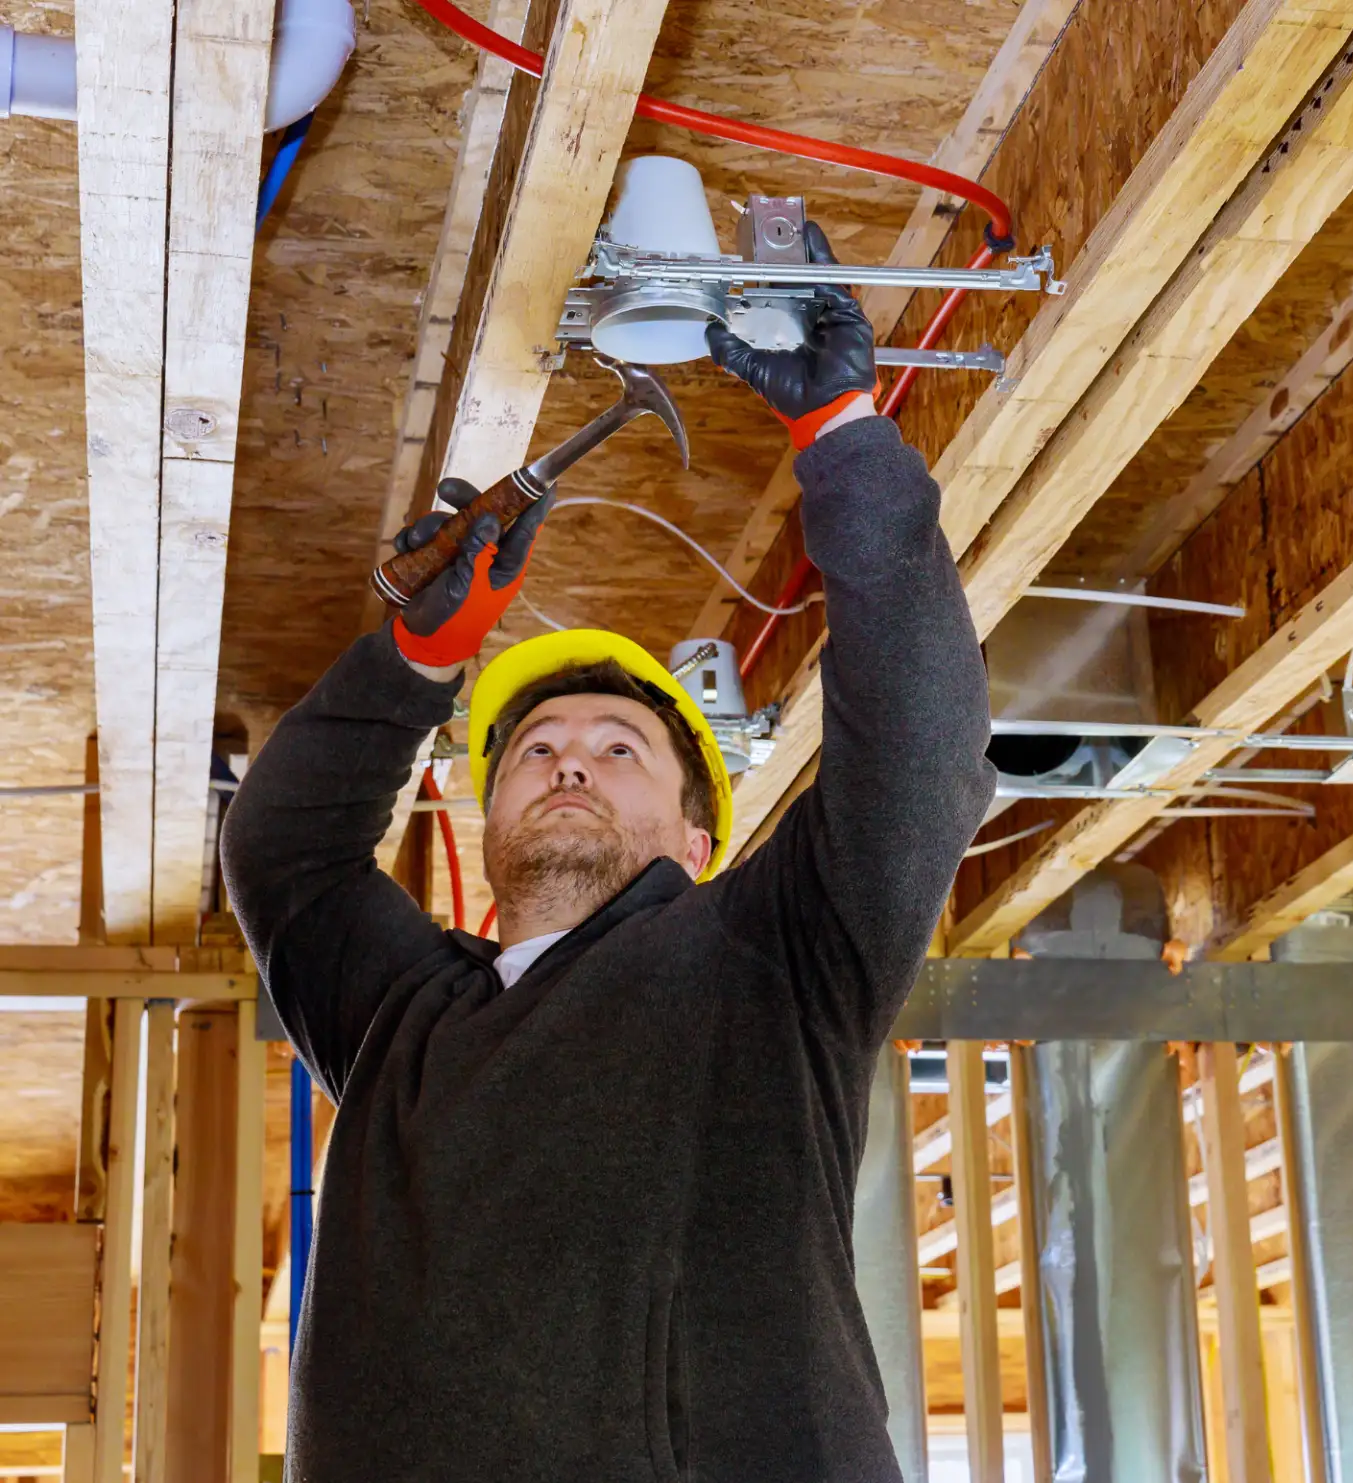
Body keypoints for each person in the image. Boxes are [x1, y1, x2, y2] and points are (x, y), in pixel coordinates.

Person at [221, 223, 995, 1483]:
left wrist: (845, 438)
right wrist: (419, 655)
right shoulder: (399, 1017)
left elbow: (919, 739)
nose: (569, 757)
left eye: (619, 747)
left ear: (700, 838)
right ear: (488, 828)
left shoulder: (774, 960)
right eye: (536, 750)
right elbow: (284, 848)